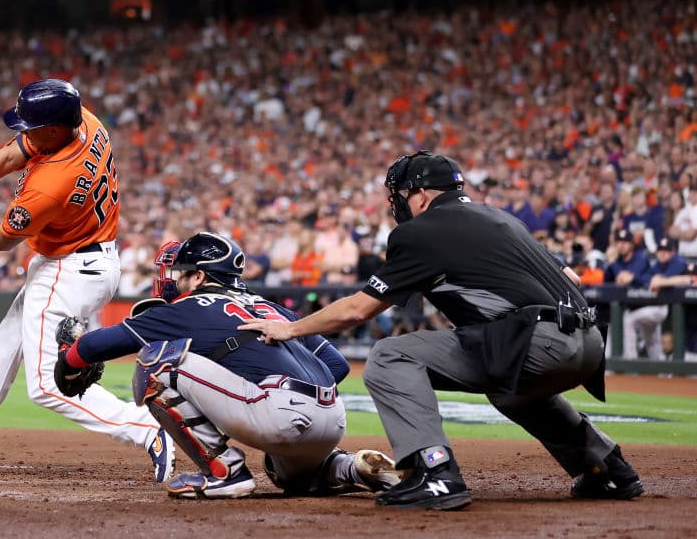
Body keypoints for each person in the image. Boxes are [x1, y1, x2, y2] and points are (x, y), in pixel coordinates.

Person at [238, 151, 643, 510]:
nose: (396, 204)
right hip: (589, 342)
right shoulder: (500, 217)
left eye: (399, 195)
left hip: (536, 342)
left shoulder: (419, 232)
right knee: (511, 389)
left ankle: (433, 471)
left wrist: (291, 328)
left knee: (390, 355)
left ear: (421, 195)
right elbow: (571, 276)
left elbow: (359, 309)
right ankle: (606, 467)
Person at [0, 78, 173, 483]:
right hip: (83, 259)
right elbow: (11, 155)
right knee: (3, 347)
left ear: (54, 129)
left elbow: (2, 240)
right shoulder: (85, 121)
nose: (24, 132)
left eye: (31, 126)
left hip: (69, 269)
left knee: (46, 385)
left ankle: (147, 429)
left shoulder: (51, 185)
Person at [57, 232, 400, 499]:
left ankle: (224, 472)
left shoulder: (187, 308)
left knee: (155, 363)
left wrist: (68, 362)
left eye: (181, 273)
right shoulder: (271, 307)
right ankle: (350, 467)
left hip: (280, 414)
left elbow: (93, 346)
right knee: (285, 475)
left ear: (199, 277)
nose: (173, 280)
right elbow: (337, 365)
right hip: (332, 419)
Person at [624, 237, 692, 360]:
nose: (663, 253)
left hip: (684, 311)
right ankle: (656, 363)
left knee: (630, 319)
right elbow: (646, 279)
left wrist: (660, 281)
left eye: (666, 250)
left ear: (673, 252)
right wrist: (634, 277)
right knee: (652, 337)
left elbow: (685, 279)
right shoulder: (658, 265)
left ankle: (631, 360)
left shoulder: (678, 261)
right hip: (665, 308)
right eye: (660, 250)